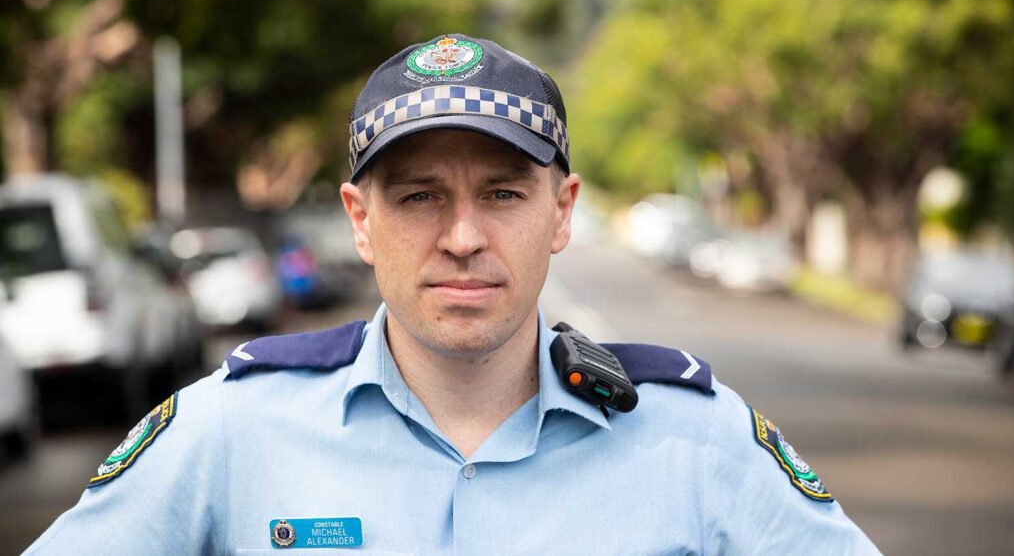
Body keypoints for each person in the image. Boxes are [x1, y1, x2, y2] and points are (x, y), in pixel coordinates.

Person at [26, 34, 881, 554]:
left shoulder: (695, 440)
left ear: (561, 211)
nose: (463, 236)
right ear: (360, 220)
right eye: (419, 196)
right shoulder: (231, 430)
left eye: (503, 193)